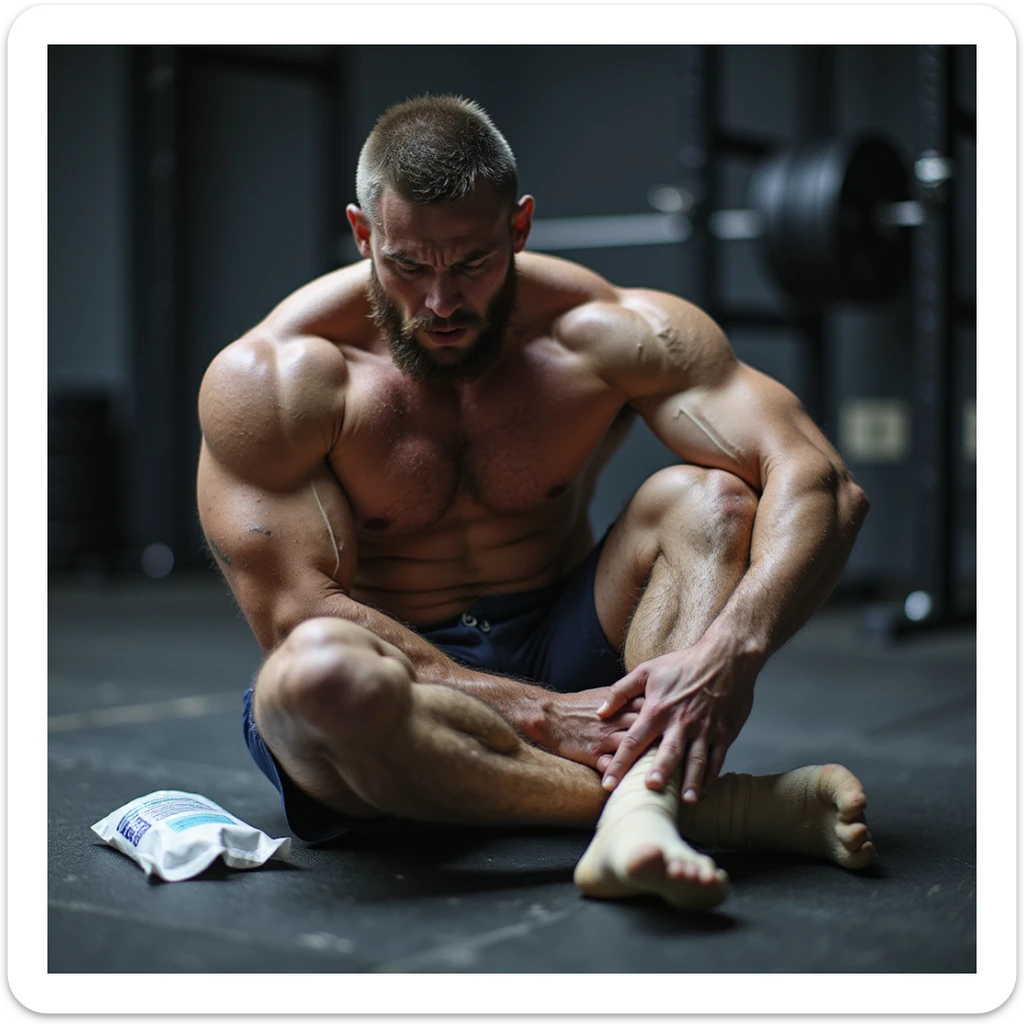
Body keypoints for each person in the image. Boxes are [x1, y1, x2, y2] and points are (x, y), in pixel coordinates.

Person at [196, 95, 875, 911]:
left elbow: (822, 484)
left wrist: (733, 652)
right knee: (312, 677)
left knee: (710, 498)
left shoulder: (608, 331)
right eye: (408, 266)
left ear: (518, 229)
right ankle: (690, 806)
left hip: (569, 644)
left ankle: (637, 800)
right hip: (401, 687)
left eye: (473, 263)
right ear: (363, 233)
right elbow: (300, 612)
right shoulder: (276, 378)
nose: (441, 302)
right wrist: (542, 716)